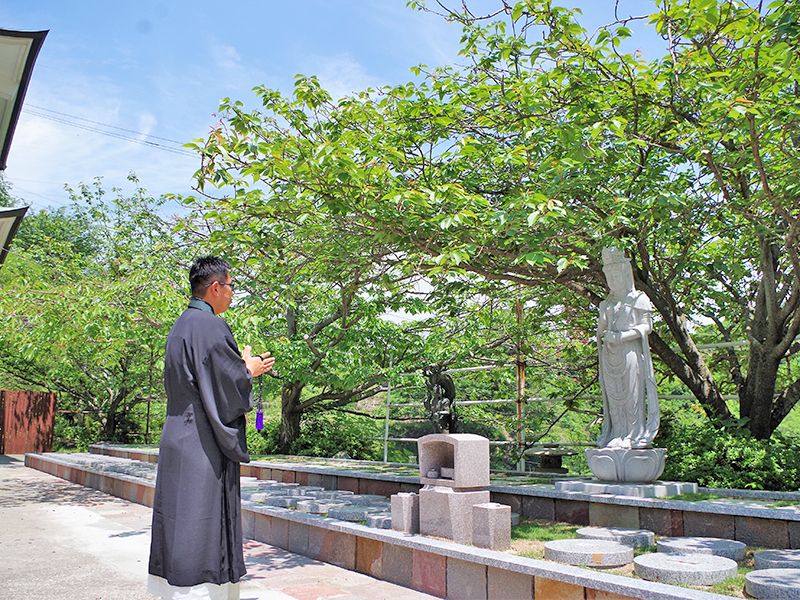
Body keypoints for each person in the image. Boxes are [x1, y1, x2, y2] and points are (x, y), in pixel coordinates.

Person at [148, 256, 275, 600]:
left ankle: (170, 588)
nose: (233, 295)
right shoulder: (211, 326)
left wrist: (242, 370)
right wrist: (248, 370)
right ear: (215, 287)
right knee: (202, 520)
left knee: (177, 518)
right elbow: (226, 385)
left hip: (178, 435)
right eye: (231, 287)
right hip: (201, 442)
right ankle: (204, 589)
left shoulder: (181, 325)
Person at [596, 248, 659, 449]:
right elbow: (601, 330)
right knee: (614, 396)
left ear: (625, 274)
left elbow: (647, 327)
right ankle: (617, 433)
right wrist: (602, 329)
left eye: (616, 275)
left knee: (632, 394)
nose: (612, 280)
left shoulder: (638, 298)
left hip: (630, 352)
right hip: (610, 353)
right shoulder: (606, 303)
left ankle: (633, 434)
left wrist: (622, 336)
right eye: (609, 276)